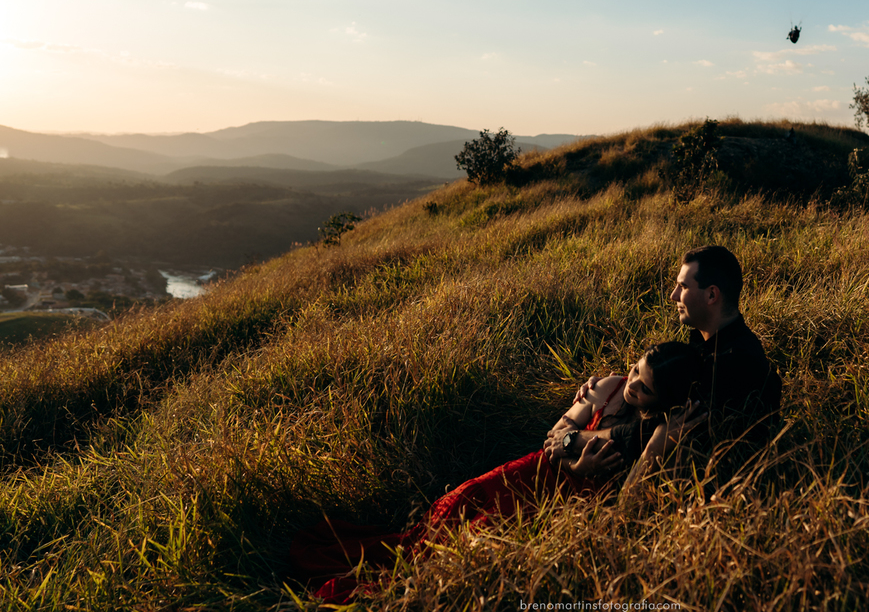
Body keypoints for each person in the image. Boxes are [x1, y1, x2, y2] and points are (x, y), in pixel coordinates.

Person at [290, 340, 701, 603]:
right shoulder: (610, 387)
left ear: (663, 398)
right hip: (534, 472)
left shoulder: (660, 432)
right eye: (635, 371)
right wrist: (577, 461)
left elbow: (630, 501)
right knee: (451, 513)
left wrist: (601, 462)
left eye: (644, 387)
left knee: (466, 546)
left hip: (563, 507)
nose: (632, 385)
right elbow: (553, 437)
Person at [545, 245, 781, 477]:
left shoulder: (732, 364)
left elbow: (649, 433)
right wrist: (613, 387)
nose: (673, 295)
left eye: (683, 287)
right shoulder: (707, 339)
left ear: (711, 295)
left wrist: (572, 439)